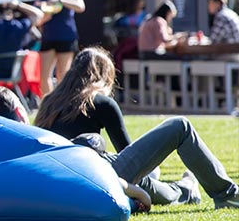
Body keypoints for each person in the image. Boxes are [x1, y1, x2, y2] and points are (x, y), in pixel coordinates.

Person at [34, 47, 239, 209]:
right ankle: (225, 194)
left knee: (161, 188)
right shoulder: (99, 102)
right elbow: (128, 153)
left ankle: (187, 186)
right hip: (98, 171)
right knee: (180, 126)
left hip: (65, 178)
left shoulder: (49, 102)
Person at [0, 84, 151, 211]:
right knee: (91, 141)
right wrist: (135, 192)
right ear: (18, 111)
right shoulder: (34, 144)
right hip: (91, 186)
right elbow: (87, 175)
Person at [35, 0, 85, 97]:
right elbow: (37, 19)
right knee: (44, 76)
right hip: (48, 37)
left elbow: (81, 7)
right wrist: (47, 12)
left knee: (63, 75)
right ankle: (47, 107)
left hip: (66, 37)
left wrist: (62, 0)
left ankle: (61, 107)